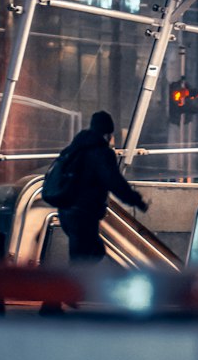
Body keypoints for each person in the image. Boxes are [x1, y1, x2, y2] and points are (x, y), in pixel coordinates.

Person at [57, 110, 149, 262]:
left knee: (89, 253)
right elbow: (114, 181)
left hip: (65, 210)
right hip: (84, 214)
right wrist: (136, 200)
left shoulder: (74, 148)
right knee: (85, 258)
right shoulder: (101, 153)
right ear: (108, 133)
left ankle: (79, 283)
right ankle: (78, 285)